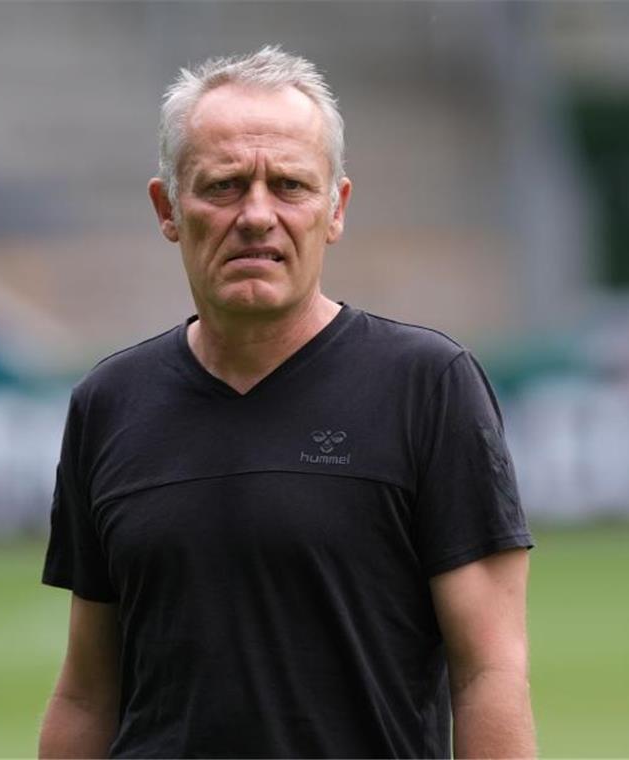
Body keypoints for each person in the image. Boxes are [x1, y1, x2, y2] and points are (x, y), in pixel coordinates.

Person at [39, 45, 535, 759]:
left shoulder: (428, 386)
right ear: (168, 207)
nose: (257, 215)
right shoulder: (110, 403)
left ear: (335, 209)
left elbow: (489, 672)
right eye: (225, 185)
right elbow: (87, 691)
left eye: (291, 186)